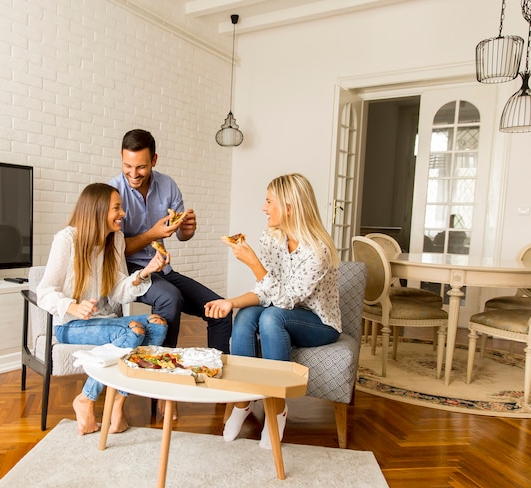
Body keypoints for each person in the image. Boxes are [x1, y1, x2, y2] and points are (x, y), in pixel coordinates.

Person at [204, 173, 341, 449]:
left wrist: (253, 262)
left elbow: (285, 300)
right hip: (281, 310)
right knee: (245, 315)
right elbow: (266, 291)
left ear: (289, 207)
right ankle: (243, 400)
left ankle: (276, 408)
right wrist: (231, 302)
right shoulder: (271, 237)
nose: (263, 208)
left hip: (320, 324)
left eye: (269, 201)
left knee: (270, 317)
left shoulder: (317, 251)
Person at [37, 183, 168, 436]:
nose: (123, 214)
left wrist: (145, 273)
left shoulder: (114, 239)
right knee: (133, 329)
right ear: (97, 210)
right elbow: (44, 292)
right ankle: (86, 399)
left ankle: (117, 404)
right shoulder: (67, 240)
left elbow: (119, 289)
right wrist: (73, 307)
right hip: (70, 326)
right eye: (116, 208)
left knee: (158, 324)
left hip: (104, 320)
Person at [108, 129, 232, 354]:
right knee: (170, 297)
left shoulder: (168, 185)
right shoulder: (113, 192)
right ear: (121, 158)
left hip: (162, 268)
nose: (133, 173)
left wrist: (187, 230)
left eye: (141, 167)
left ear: (154, 160)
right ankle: (163, 369)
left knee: (221, 309)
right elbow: (112, 252)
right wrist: (151, 235)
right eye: (128, 166)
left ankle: (218, 371)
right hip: (130, 271)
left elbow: (181, 236)